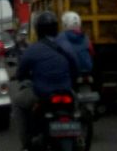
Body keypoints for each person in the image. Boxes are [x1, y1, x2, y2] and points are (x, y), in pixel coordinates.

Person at [15, 11, 78, 149]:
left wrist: (21, 76)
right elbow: (75, 68)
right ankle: (79, 138)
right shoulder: (66, 46)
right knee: (77, 108)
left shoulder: (32, 49)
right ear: (56, 28)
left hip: (43, 94)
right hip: (66, 92)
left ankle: (26, 143)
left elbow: (21, 73)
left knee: (18, 102)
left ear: (38, 30)